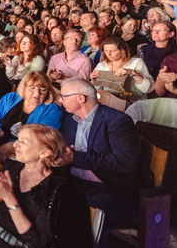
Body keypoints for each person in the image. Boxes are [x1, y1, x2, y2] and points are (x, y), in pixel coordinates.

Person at [60, 78, 140, 230]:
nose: (60, 99)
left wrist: (75, 157)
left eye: (64, 96)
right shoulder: (70, 119)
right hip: (75, 183)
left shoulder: (117, 121)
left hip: (108, 188)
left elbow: (125, 162)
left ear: (81, 98)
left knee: (71, 214)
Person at [0, 71, 62, 149]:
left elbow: (42, 139)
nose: (37, 93)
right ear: (24, 87)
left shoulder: (52, 110)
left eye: (43, 90)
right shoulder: (10, 98)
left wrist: (11, 146)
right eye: (32, 88)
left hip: (24, 153)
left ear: (48, 92)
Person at [90, 36, 153, 101]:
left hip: (131, 104)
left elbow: (148, 89)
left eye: (113, 51)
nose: (109, 54)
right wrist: (92, 80)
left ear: (122, 50)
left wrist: (133, 73)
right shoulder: (102, 65)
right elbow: (95, 90)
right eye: (106, 51)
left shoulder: (136, 63)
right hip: (107, 102)